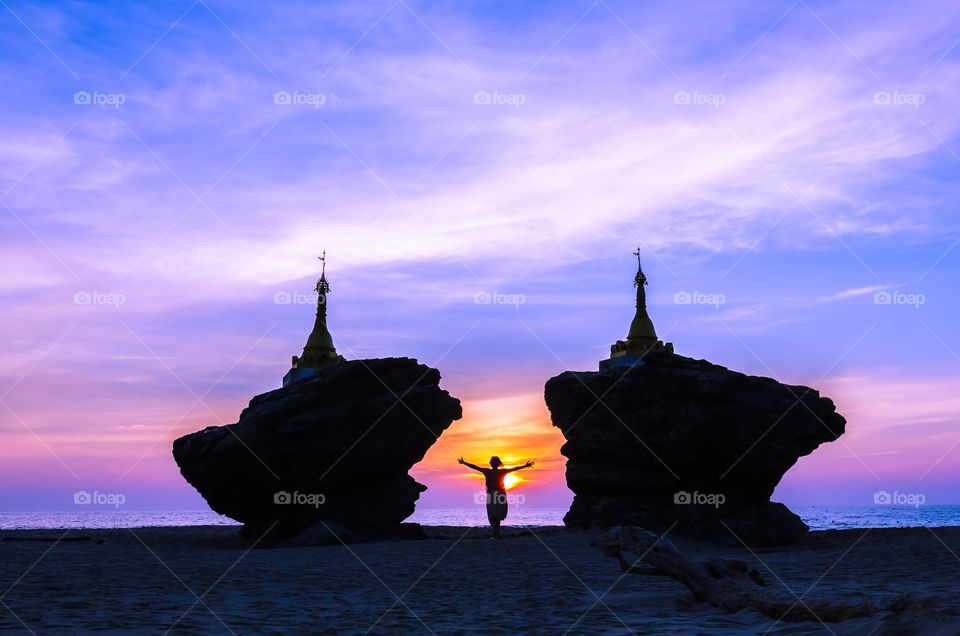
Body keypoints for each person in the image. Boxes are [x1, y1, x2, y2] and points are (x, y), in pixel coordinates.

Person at [458, 456, 534, 539]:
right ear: (498, 464)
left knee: (492, 515)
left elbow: (475, 467)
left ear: (490, 463)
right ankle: (496, 533)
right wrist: (525, 466)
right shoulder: (501, 472)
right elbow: (514, 469)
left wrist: (464, 462)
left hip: (492, 494)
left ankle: (496, 533)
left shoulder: (487, 471)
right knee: (496, 515)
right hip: (500, 494)